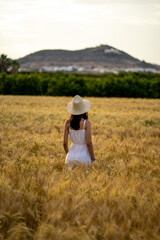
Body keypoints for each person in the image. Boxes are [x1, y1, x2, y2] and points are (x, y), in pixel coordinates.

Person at [63, 95, 95, 168]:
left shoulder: (67, 123)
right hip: (84, 157)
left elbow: (64, 143)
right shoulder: (87, 123)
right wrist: (93, 158)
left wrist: (69, 155)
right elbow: (89, 143)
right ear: (83, 109)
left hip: (70, 157)